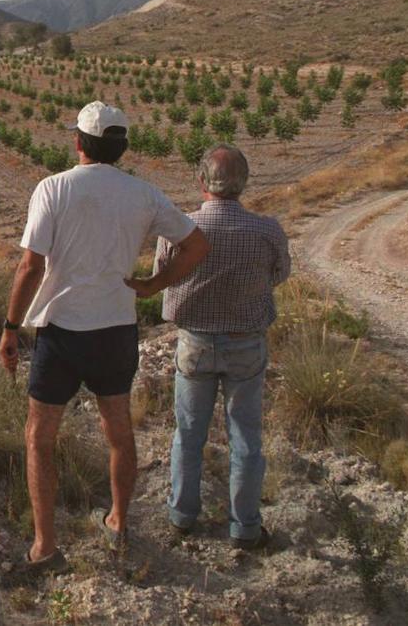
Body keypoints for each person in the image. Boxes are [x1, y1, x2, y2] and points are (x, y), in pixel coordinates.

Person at [0, 101, 210, 573]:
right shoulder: (143, 194)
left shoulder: (52, 189)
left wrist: (11, 327)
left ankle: (45, 548)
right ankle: (118, 522)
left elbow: (31, 266)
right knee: (118, 431)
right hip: (116, 330)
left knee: (39, 438)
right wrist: (154, 285)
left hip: (61, 332)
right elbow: (196, 245)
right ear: (122, 147)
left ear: (78, 142)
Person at [136, 144, 290, 550]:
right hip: (246, 345)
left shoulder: (181, 229)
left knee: (187, 433)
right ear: (244, 183)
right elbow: (280, 275)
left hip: (195, 344)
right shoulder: (268, 230)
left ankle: (182, 517)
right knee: (246, 438)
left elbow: (161, 279)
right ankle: (245, 528)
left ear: (201, 182)